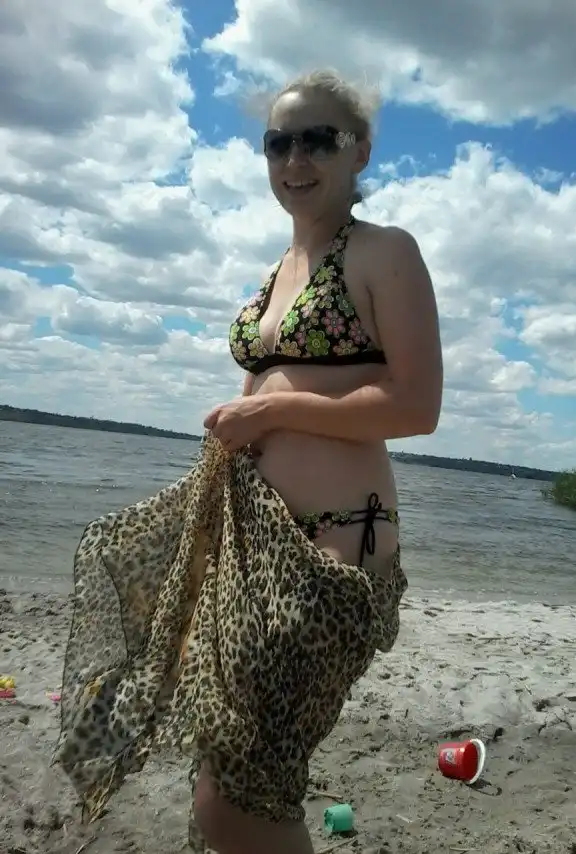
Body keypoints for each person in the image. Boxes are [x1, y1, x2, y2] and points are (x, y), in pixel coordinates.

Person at [52, 70, 442, 854]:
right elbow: (262, 390)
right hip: (248, 549)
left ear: (360, 150)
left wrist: (271, 412)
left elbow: (414, 405)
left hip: (328, 556)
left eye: (318, 139)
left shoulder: (384, 251)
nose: (295, 159)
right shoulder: (277, 270)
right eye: (277, 143)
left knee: (240, 791)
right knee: (224, 767)